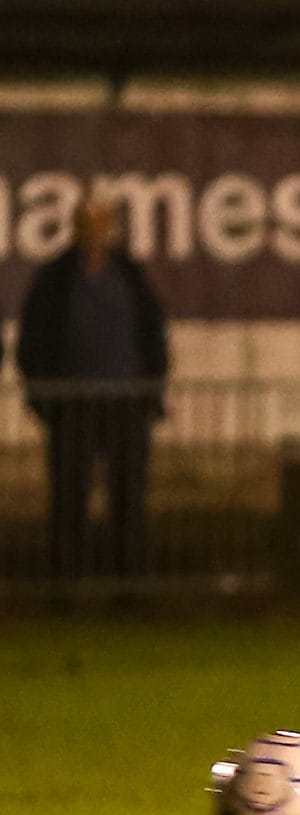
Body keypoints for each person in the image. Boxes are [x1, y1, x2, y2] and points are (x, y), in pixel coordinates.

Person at [16, 194, 171, 579]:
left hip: (126, 405)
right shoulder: (55, 277)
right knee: (69, 501)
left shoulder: (130, 275)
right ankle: (66, 587)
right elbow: (32, 339)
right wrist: (44, 398)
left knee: (128, 500)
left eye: (101, 222)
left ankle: (129, 587)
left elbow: (154, 334)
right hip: (72, 406)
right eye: (87, 223)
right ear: (76, 227)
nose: (95, 232)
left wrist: (150, 392)